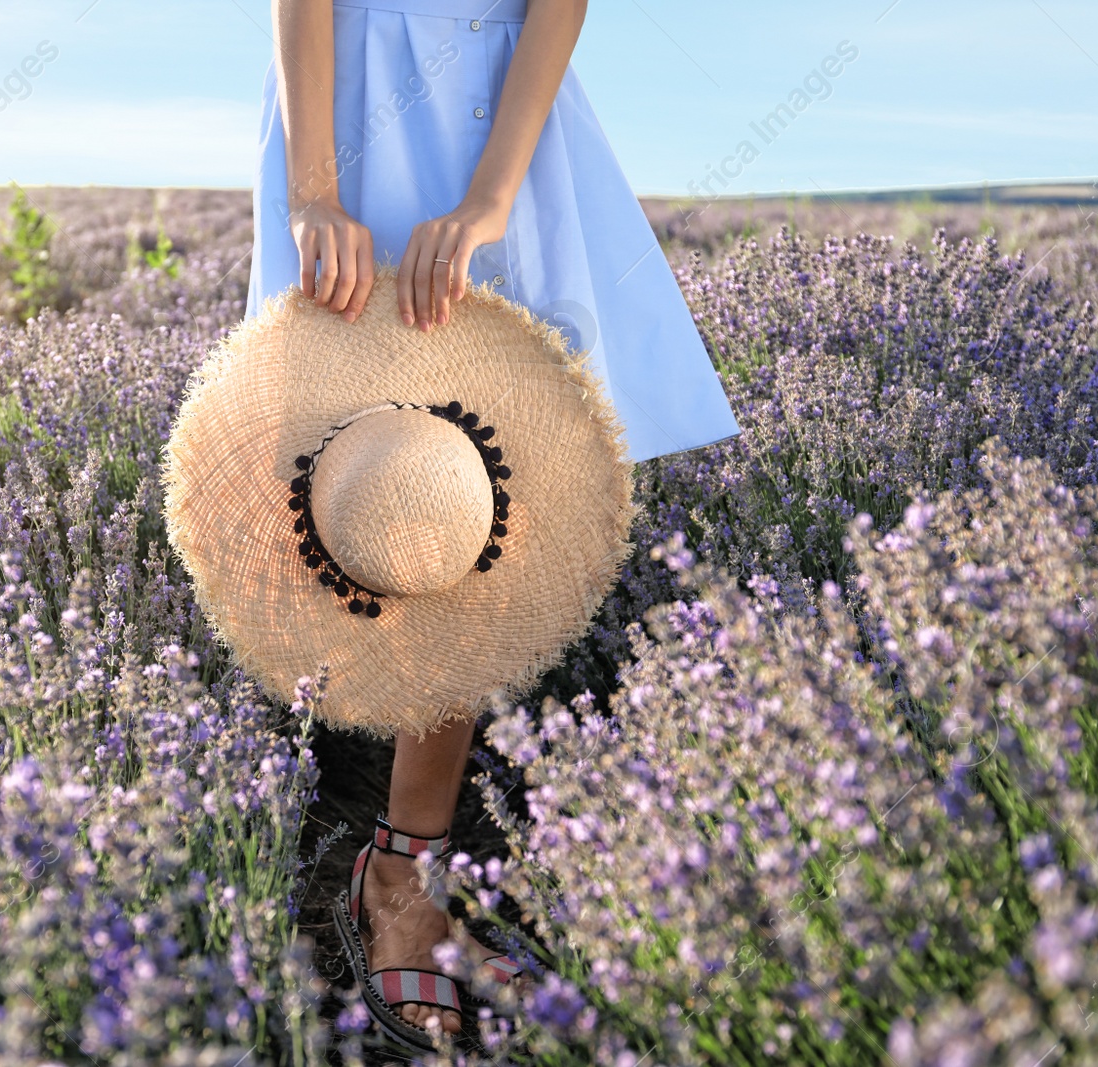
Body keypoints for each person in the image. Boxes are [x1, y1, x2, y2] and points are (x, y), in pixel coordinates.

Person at [245, 0, 743, 1041]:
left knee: (487, 497)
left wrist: (488, 200)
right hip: (347, 107)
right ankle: (347, 811)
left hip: (502, 127)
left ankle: (400, 870)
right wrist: (313, 193)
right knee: (353, 473)